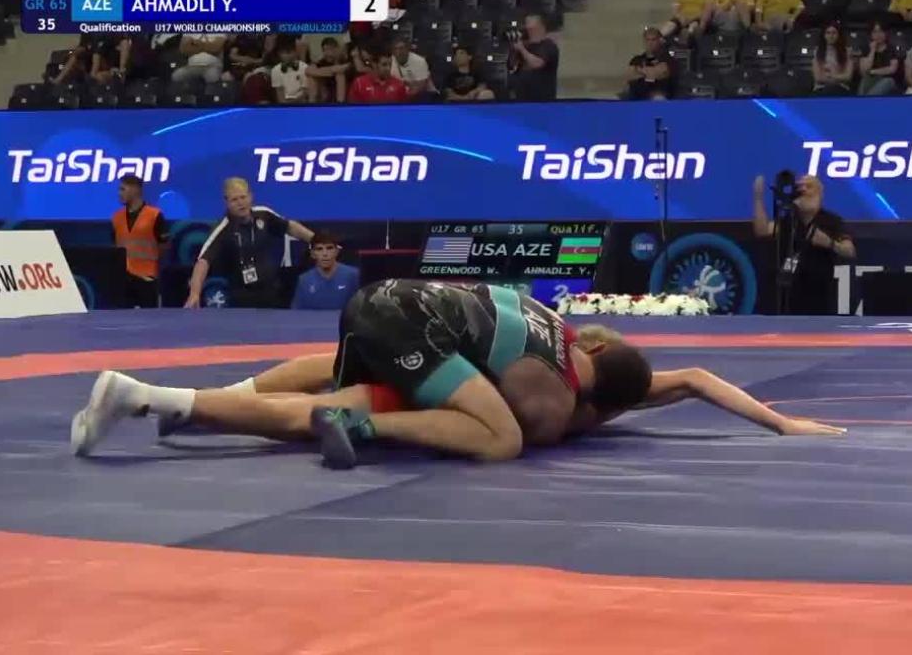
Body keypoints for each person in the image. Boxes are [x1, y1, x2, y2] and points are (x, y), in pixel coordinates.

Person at [70, 281, 846, 466]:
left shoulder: (560, 328)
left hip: (391, 304)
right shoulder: (557, 389)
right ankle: (358, 425)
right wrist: (782, 424)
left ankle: (162, 398)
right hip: (415, 325)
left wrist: (781, 421)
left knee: (329, 392)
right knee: (503, 437)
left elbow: (695, 375)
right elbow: (535, 424)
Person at [186, 177, 315, 309]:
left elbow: (290, 227)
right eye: (234, 200)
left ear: (250, 196)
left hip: (271, 292)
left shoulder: (264, 214)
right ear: (227, 202)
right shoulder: (223, 229)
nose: (240, 203)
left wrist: (316, 240)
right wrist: (194, 294)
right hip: (242, 298)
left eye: (243, 197)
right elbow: (203, 261)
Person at [752, 174, 855, 315]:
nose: (804, 190)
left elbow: (849, 251)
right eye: (800, 187)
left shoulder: (832, 221)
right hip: (790, 295)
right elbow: (762, 230)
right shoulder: (790, 219)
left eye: (809, 187)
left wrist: (830, 243)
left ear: (819, 193)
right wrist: (758, 198)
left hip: (820, 294)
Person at [111, 174, 170, 309]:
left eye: (123, 189)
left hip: (147, 278)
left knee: (149, 319)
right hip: (123, 279)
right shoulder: (116, 217)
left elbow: (164, 246)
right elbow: (115, 246)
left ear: (135, 190)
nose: (119, 193)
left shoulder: (154, 215)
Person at [291, 231, 360, 311]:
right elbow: (296, 313)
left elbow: (361, 309)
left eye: (329, 248)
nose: (325, 254)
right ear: (313, 254)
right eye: (319, 249)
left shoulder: (353, 275)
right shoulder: (304, 280)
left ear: (336, 251)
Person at [510, 15, 560, 101]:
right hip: (521, 98)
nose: (528, 28)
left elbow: (537, 63)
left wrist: (522, 49)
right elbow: (512, 67)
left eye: (531, 27)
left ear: (541, 27)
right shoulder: (524, 46)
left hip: (542, 100)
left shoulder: (548, 45)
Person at [627, 27, 675, 100]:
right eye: (647, 40)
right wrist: (650, 72)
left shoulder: (667, 58)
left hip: (659, 96)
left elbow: (661, 73)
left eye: (653, 40)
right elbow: (630, 76)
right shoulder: (637, 59)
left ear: (659, 41)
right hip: (637, 96)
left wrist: (639, 71)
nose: (650, 43)